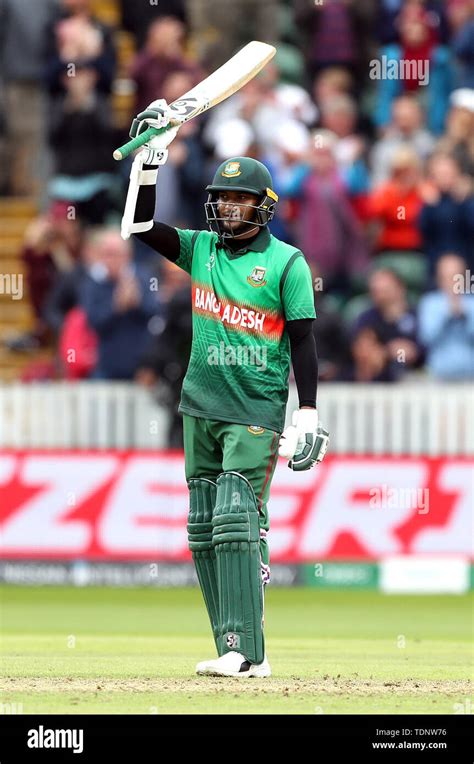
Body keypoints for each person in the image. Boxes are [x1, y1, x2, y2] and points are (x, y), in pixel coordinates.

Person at [120, 99, 329, 678]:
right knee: (205, 525)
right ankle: (231, 646)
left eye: (239, 199)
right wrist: (150, 160)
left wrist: (306, 415)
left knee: (238, 517)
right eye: (222, 198)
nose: (228, 207)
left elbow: (305, 342)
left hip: (255, 408)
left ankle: (249, 653)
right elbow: (137, 225)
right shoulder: (202, 249)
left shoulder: (287, 264)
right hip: (200, 404)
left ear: (263, 208)